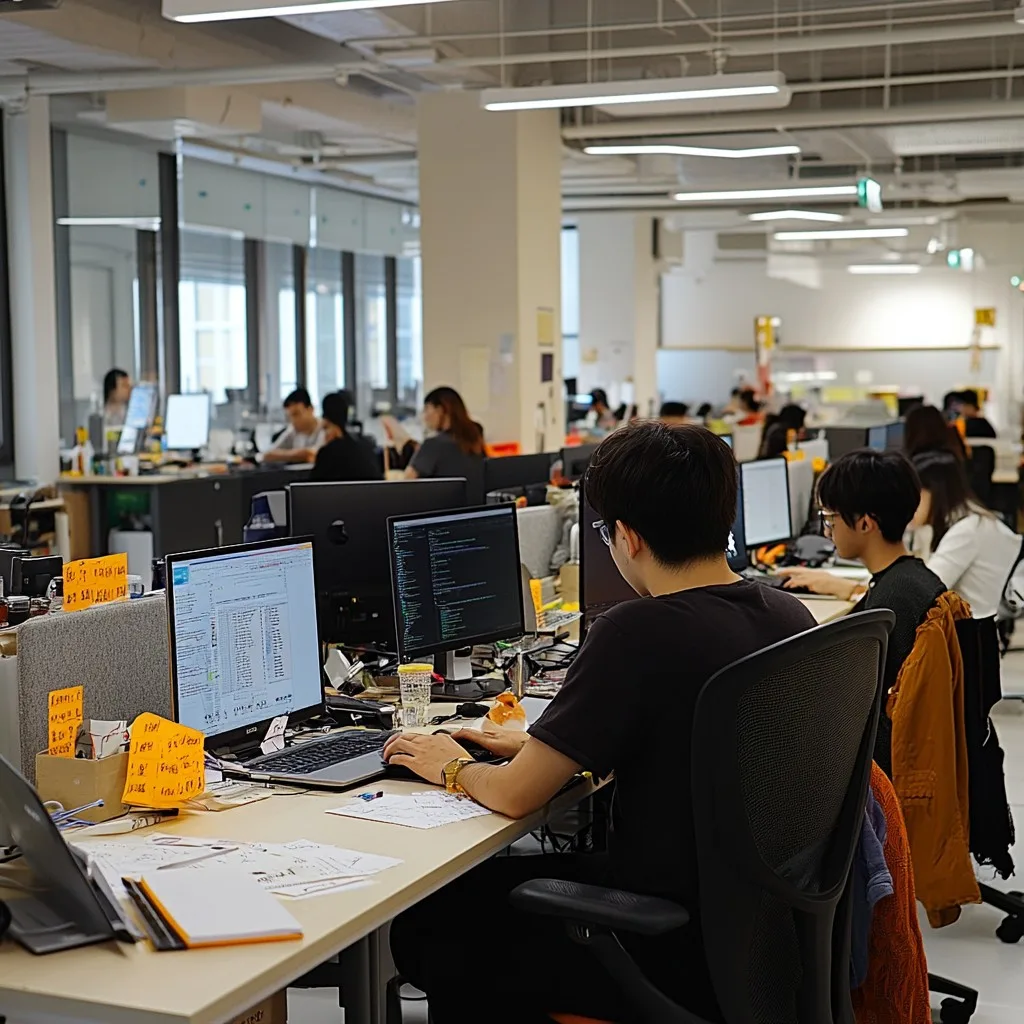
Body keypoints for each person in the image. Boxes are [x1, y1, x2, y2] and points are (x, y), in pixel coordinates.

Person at [384, 422, 816, 1024]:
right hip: (760, 934)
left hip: (661, 942)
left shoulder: (635, 631)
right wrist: (542, 745)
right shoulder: (789, 615)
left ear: (628, 538)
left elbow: (514, 797)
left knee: (430, 923)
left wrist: (450, 764)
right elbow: (681, 738)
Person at [779, 450, 945, 776]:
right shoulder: (910, 580)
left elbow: (856, 705)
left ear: (865, 523)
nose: (827, 533)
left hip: (877, 771)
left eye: (831, 520)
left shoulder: (892, 602)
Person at [910, 451, 1020, 618]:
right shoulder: (967, 517)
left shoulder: (968, 530)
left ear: (936, 493)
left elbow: (923, 593)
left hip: (974, 628)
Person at [405, 386, 486, 482]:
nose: (425, 416)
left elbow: (406, 482)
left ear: (440, 410)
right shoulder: (475, 436)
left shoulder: (433, 444)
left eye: (426, 409)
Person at [310, 391, 381, 484]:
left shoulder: (327, 454)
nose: (324, 435)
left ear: (328, 422)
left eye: (325, 428)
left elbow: (312, 487)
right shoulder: (366, 447)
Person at [263, 388, 327, 464]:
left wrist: (284, 455)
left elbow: (313, 455)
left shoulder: (325, 428)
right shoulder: (293, 431)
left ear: (311, 409)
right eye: (289, 417)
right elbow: (268, 454)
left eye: (296, 414)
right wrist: (299, 455)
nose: (293, 421)